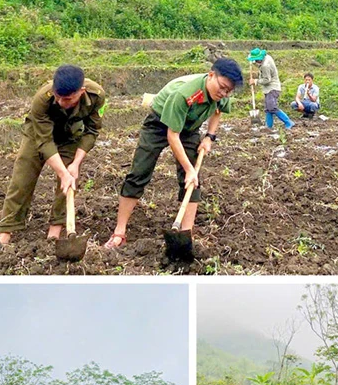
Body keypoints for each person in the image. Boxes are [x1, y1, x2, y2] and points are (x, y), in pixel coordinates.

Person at [104, 58, 243, 249]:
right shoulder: (185, 94)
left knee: (193, 181)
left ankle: (186, 235)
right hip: (160, 123)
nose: (224, 93)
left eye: (228, 90)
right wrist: (188, 169)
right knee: (139, 172)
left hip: (188, 128)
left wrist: (210, 136)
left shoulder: (221, 93)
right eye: (222, 87)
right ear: (211, 75)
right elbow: (173, 135)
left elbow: (218, 111)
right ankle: (119, 232)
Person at [0, 65, 106, 248]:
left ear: (81, 92)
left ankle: (55, 232)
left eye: (66, 99)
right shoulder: (42, 98)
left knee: (65, 186)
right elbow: (44, 142)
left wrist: (75, 164)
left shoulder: (97, 96)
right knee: (22, 179)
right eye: (57, 96)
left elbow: (92, 130)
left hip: (70, 136)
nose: (59, 102)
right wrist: (63, 172)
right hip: (38, 135)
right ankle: (5, 233)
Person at [248, 48, 294, 130]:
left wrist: (255, 81)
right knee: (268, 108)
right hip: (268, 89)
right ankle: (269, 126)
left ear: (259, 59)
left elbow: (267, 80)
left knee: (272, 107)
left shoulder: (265, 66)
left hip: (272, 88)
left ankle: (288, 122)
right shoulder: (267, 57)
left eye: (255, 60)